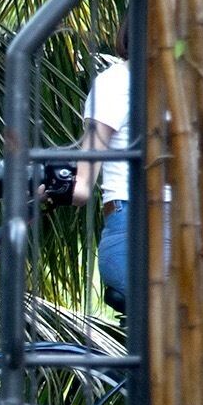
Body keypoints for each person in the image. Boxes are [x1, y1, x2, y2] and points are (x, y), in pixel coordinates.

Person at [73, 51, 130, 308]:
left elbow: (82, 187)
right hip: (135, 223)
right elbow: (82, 186)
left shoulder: (201, 76)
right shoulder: (117, 81)